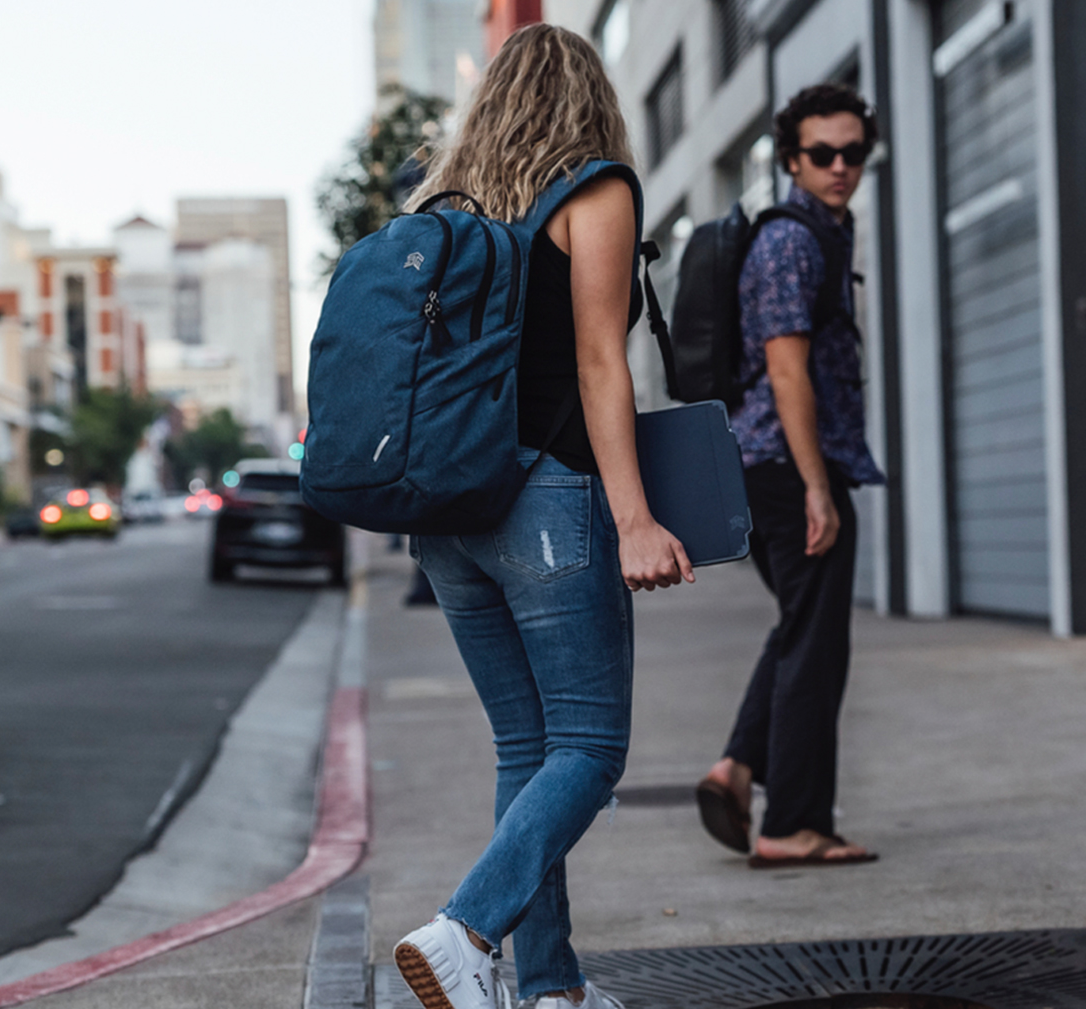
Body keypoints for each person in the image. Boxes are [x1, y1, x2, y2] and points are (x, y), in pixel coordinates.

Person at [391, 24, 694, 1009]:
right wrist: (636, 516)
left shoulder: (447, 208)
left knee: (528, 754)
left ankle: (548, 988)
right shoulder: (591, 189)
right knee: (591, 749)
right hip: (546, 505)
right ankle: (463, 928)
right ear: (589, 96)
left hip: (446, 516)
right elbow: (601, 364)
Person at [695, 83, 885, 869]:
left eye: (853, 151)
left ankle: (737, 767)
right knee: (817, 645)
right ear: (791, 160)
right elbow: (785, 370)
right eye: (821, 154)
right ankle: (793, 822)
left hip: (780, 465)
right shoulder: (792, 243)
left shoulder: (821, 232)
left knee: (801, 631)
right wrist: (816, 486)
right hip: (787, 468)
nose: (840, 166)